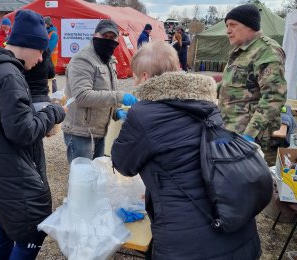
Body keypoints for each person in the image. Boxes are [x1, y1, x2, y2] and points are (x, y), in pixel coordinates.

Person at [111, 41, 261, 259]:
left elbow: (123, 164)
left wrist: (130, 127)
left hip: (187, 245)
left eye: (134, 77)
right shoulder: (207, 102)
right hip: (239, 230)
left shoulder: (143, 113)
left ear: (144, 77)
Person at [0, 10, 65, 259]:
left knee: (6, 225)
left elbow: (3, 119)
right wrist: (53, 113)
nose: (41, 59)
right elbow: (22, 131)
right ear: (29, 45)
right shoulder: (9, 75)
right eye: (41, 51)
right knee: (33, 229)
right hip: (10, 170)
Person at [218, 4, 287, 165]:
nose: (228, 30)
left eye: (233, 25)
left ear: (250, 26)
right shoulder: (240, 50)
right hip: (232, 131)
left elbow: (274, 97)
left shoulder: (267, 51)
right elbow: (229, 85)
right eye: (227, 26)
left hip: (254, 138)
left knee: (255, 183)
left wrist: (250, 134)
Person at [62, 19, 138, 164]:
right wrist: (119, 96)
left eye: (112, 37)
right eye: (105, 36)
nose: (108, 41)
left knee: (96, 176)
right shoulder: (83, 60)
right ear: (95, 35)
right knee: (82, 180)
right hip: (80, 132)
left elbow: (105, 92)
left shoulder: (109, 60)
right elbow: (83, 96)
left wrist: (115, 112)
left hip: (99, 131)